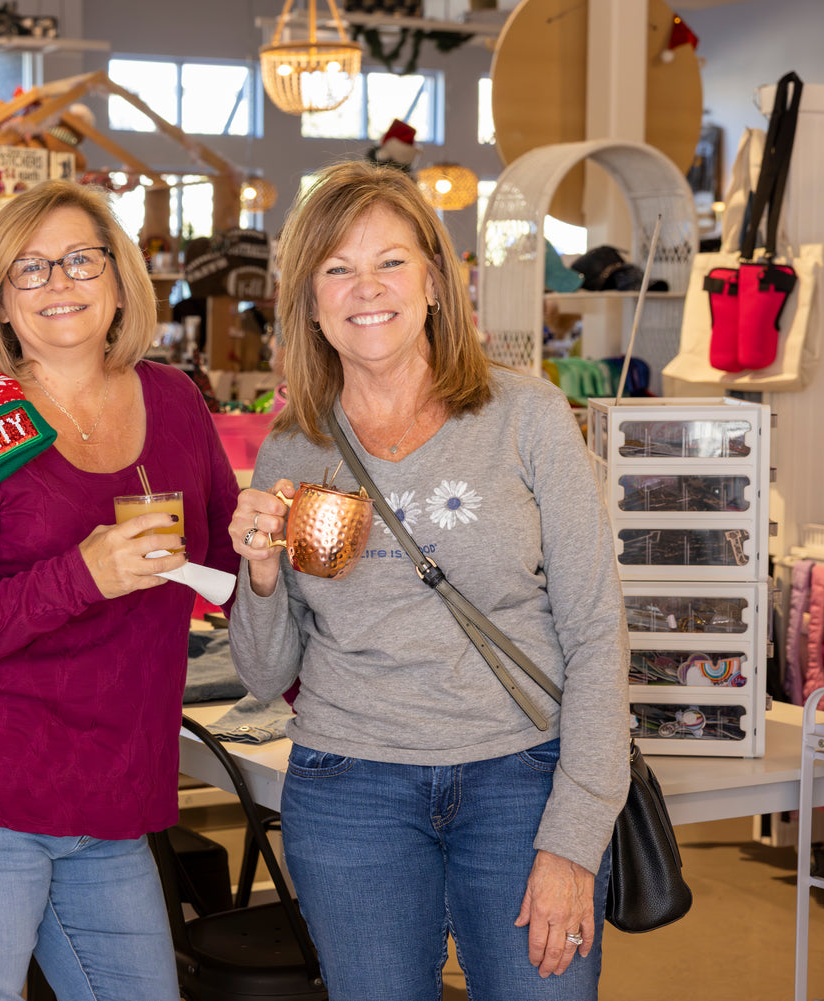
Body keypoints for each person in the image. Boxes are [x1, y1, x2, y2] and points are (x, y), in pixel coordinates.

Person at [227, 159, 629, 1001]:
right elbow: (265, 675)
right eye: (337, 268)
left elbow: (597, 631)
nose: (366, 288)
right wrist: (259, 573)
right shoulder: (294, 446)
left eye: (391, 261)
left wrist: (574, 836)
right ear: (310, 301)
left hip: (522, 778)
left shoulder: (526, 416)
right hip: (350, 787)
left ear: (436, 282)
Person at [0, 179, 241, 1001]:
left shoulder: (174, 400)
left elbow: (229, 569)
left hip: (108, 790)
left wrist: (272, 562)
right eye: (28, 268)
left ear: (120, 278)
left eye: (79, 260)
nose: (58, 282)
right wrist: (82, 574)